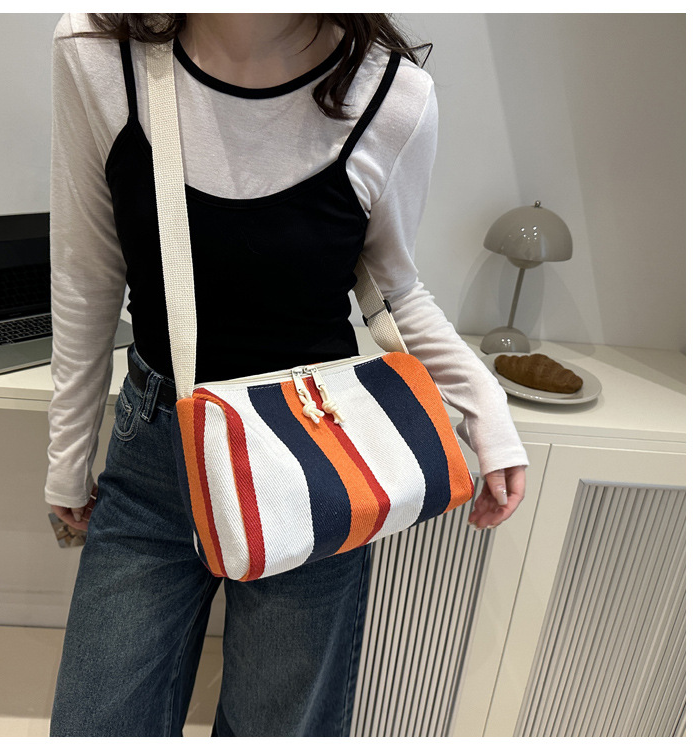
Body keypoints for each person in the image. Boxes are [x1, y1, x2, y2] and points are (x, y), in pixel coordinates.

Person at [45, 12, 529, 737]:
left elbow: (394, 290)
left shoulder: (393, 98)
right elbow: (87, 276)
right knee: (97, 724)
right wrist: (67, 459)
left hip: (314, 462)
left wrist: (485, 410)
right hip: (154, 456)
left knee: (278, 728)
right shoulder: (100, 52)